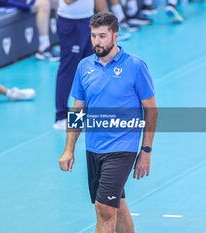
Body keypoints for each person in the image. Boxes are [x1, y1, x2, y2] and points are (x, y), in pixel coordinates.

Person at [58, 12, 157, 233]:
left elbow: (151, 111)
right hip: (94, 148)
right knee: (117, 204)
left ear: (115, 36)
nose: (97, 41)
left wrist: (146, 150)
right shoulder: (84, 66)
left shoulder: (136, 66)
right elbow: (78, 110)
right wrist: (68, 149)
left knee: (105, 209)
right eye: (93, 36)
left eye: (102, 36)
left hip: (123, 148)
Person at [53, 0, 95, 130]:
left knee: (90, 70)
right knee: (68, 70)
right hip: (71, 24)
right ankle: (61, 117)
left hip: (88, 20)